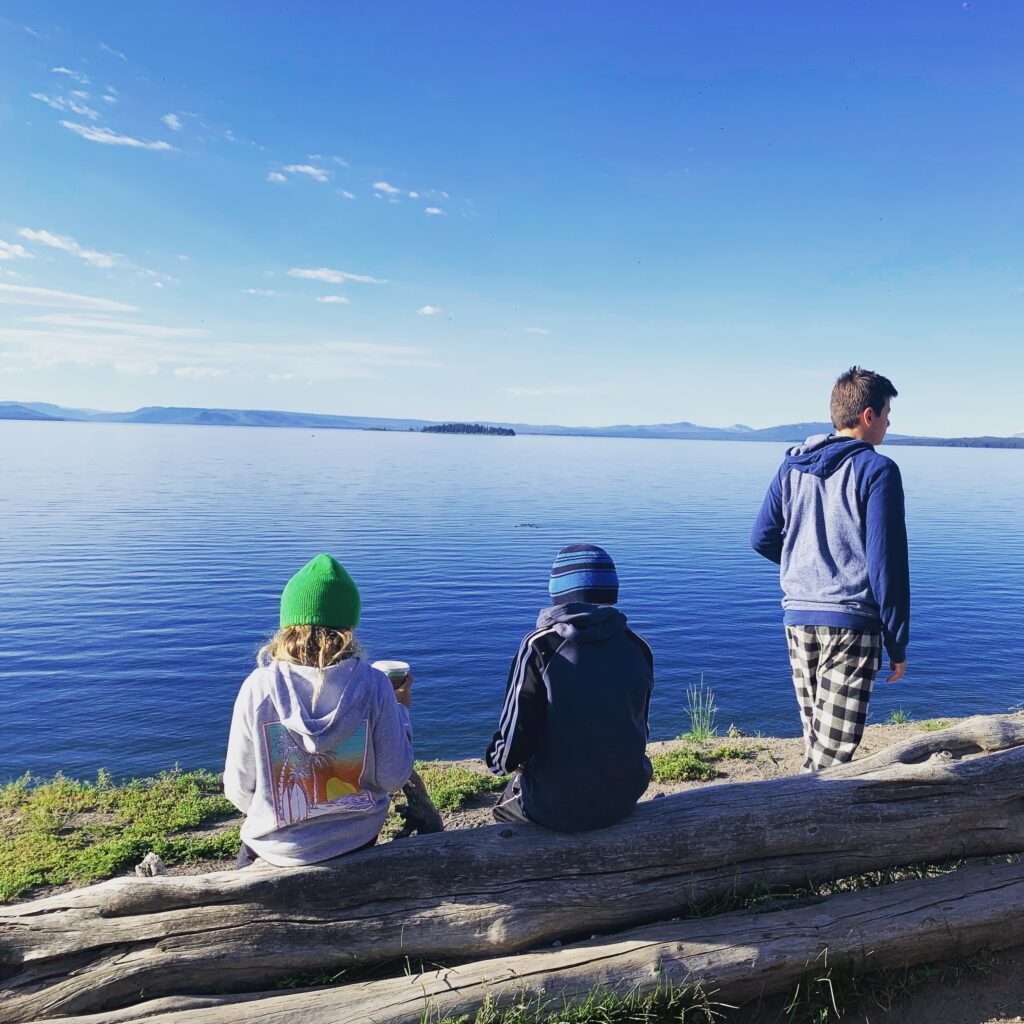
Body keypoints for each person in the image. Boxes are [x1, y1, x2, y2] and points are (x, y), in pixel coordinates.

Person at [751, 366, 910, 771]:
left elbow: (763, 538)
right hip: (851, 624)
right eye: (887, 414)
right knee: (830, 756)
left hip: (799, 618)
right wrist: (897, 642)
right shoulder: (878, 470)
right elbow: (886, 564)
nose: (889, 423)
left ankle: (798, 819)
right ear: (868, 416)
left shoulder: (791, 467)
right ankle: (794, 825)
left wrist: (808, 566)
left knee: (817, 740)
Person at [224, 553, 413, 867]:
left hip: (273, 852)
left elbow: (240, 791)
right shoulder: (375, 686)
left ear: (288, 625)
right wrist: (401, 711)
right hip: (356, 843)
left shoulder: (258, 688)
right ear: (349, 626)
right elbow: (393, 777)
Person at [485, 544, 654, 831]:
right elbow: (639, 726)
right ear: (612, 591)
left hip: (557, 808)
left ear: (557, 593)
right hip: (624, 798)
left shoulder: (539, 647)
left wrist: (495, 761)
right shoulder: (637, 645)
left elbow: (515, 741)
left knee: (502, 810)